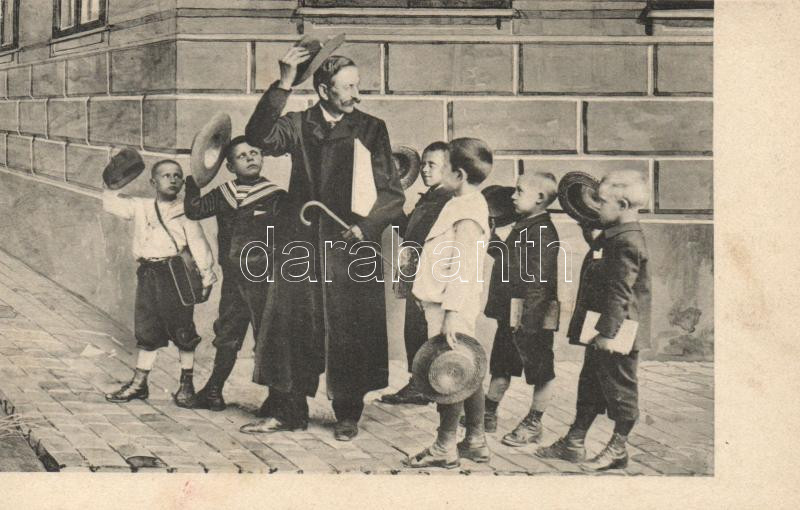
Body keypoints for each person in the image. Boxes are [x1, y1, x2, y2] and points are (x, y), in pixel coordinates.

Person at [240, 46, 404, 440]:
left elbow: (391, 193)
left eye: (357, 86)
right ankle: (289, 411)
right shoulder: (299, 124)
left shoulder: (371, 128)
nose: (356, 95)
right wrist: (284, 83)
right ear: (324, 90)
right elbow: (259, 136)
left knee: (352, 326)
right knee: (292, 324)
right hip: (301, 243)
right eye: (348, 87)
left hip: (351, 246)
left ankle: (348, 414)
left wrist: (365, 228)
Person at [536, 170, 651, 471]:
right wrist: (592, 236)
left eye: (601, 202)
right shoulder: (615, 236)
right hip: (603, 326)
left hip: (618, 331)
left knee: (620, 390)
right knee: (591, 384)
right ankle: (574, 442)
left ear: (622, 205)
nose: (596, 207)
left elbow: (620, 292)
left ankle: (618, 448)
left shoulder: (626, 243)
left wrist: (608, 333)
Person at [404, 137, 493, 469]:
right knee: (466, 368)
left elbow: (464, 267)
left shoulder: (468, 211)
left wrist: (452, 314)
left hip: (451, 307)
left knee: (448, 374)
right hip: (443, 303)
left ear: (459, 174)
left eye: (444, 167)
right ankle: (476, 441)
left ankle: (444, 446)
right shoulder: (460, 202)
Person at [183, 136, 287, 415]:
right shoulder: (224, 193)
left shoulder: (276, 196)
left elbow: (289, 236)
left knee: (267, 335)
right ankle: (214, 391)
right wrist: (195, 179)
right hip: (233, 278)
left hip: (264, 279)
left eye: (255, 152)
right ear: (229, 166)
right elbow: (194, 210)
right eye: (242, 156)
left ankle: (277, 398)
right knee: (228, 333)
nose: (250, 158)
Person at [103, 160, 216, 407]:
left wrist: (207, 276)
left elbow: (198, 243)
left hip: (176, 275)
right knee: (147, 329)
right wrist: (113, 182)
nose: (173, 179)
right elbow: (111, 204)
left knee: (183, 329)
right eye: (166, 175)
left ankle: (186, 385)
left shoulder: (186, 211)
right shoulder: (141, 206)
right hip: (148, 274)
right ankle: (139, 384)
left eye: (177, 175)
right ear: (153, 182)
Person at [481, 172, 561, 446]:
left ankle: (534, 422)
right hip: (512, 313)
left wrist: (529, 323)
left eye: (519, 191)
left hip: (531, 317)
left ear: (539, 198)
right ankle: (488, 412)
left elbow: (539, 282)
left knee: (540, 371)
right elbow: (506, 257)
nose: (512, 196)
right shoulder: (525, 226)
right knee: (502, 363)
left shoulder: (543, 232)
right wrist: (491, 237)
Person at [381, 141, 453, 406]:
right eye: (423, 164)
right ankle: (419, 384)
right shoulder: (431, 196)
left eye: (432, 164)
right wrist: (392, 202)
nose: (424, 169)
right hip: (415, 272)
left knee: (430, 332)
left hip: (431, 276)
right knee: (414, 329)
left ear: (449, 168)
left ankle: (437, 386)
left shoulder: (448, 200)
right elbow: (407, 231)